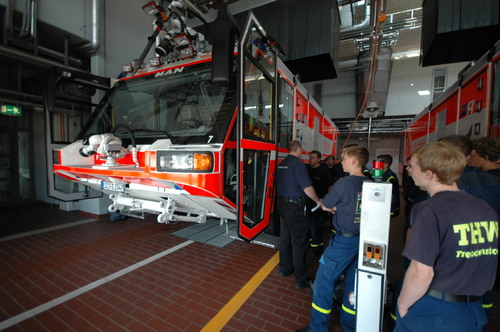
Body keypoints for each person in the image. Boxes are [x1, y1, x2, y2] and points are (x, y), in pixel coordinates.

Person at [395, 142, 498, 332]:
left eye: (413, 167)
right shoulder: (484, 209)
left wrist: (402, 304)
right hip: (473, 310)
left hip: (435, 310)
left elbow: (421, 273)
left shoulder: (428, 210)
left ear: (429, 174)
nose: (408, 171)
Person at [298, 145, 370, 332]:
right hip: (362, 241)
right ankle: (349, 325)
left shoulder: (344, 183)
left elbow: (326, 205)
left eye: (344, 158)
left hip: (342, 241)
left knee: (323, 282)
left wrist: (334, 208)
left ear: (354, 161)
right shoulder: (370, 183)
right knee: (353, 284)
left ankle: (317, 328)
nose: (341, 161)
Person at [275, 140, 322, 289]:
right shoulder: (298, 164)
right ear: (299, 150)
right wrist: (318, 201)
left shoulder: (280, 164)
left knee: (285, 238)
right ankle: (301, 279)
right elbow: (307, 187)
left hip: (281, 204)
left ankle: (284, 269)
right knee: (299, 242)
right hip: (295, 207)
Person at [307, 150, 334, 255]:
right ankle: (311, 243)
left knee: (317, 226)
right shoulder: (307, 169)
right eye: (310, 157)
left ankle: (317, 248)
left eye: (314, 157)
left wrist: (328, 200)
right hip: (309, 202)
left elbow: (330, 186)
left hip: (320, 203)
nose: (311, 159)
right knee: (309, 224)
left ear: (319, 159)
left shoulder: (324, 171)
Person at [377, 154, 400, 218]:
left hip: (388, 208)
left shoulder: (390, 177)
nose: (377, 164)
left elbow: (391, 196)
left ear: (386, 165)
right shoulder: (382, 174)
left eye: (379, 162)